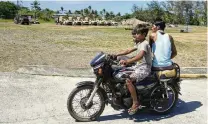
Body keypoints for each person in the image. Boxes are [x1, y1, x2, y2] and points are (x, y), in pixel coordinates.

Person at [113, 24, 152, 115]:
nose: (135, 35)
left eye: (138, 33)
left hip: (144, 68)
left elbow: (140, 55)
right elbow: (128, 50)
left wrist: (128, 61)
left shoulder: (144, 44)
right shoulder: (139, 43)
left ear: (143, 34)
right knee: (120, 72)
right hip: (138, 66)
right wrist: (116, 55)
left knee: (128, 80)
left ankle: (135, 102)